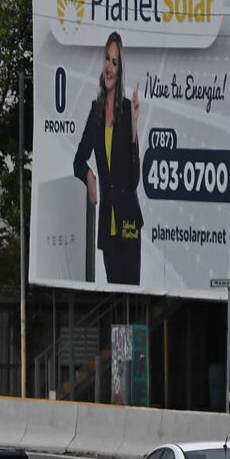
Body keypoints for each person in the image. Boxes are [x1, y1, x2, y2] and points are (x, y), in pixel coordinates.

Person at [72, 32, 143, 285]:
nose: (109, 67)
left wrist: (134, 126)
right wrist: (89, 177)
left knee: (131, 297)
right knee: (114, 295)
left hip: (129, 224)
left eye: (115, 62)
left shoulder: (128, 109)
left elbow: (134, 180)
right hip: (107, 226)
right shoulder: (96, 111)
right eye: (107, 59)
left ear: (120, 70)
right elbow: (78, 160)